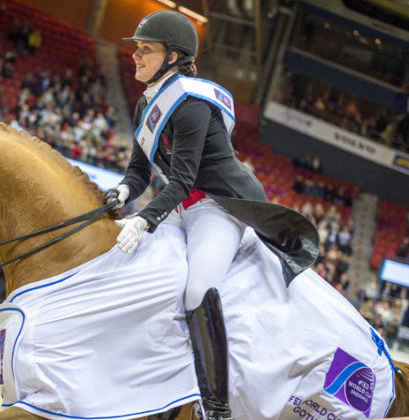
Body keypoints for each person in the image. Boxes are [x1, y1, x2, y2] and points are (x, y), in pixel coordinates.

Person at [106, 10, 319, 420]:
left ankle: (215, 405)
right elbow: (138, 172)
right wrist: (120, 192)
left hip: (218, 206)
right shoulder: (146, 105)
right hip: (181, 206)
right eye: (137, 49)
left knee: (196, 288)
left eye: (145, 50)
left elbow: (183, 180)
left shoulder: (191, 103)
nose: (135, 56)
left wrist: (144, 218)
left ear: (173, 57)